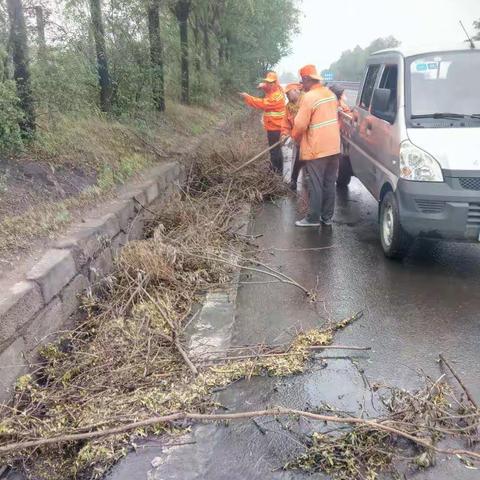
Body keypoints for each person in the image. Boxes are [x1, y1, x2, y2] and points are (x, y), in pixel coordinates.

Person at [291, 65, 341, 227]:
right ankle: (327, 217)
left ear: (307, 79)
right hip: (334, 147)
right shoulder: (330, 94)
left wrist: (294, 138)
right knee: (329, 183)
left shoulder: (309, 97)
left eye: (302, 81)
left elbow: (300, 125)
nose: (301, 85)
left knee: (315, 183)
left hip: (317, 148)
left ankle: (312, 219)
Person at [240, 72, 286, 173]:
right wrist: (263, 86)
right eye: (267, 82)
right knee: (276, 150)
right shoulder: (275, 90)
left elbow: (262, 103)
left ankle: (275, 172)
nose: (269, 84)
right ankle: (278, 171)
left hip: (276, 127)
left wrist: (248, 97)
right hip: (273, 126)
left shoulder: (276, 97)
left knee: (274, 151)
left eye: (271, 82)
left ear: (276, 82)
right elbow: (269, 89)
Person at [281, 83, 304, 189]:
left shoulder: (305, 102)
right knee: (298, 161)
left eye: (288, 93)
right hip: (297, 140)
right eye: (285, 94)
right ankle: (293, 182)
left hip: (308, 140)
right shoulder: (288, 107)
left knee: (307, 162)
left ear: (295, 91)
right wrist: (284, 134)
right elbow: (285, 123)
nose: (287, 96)